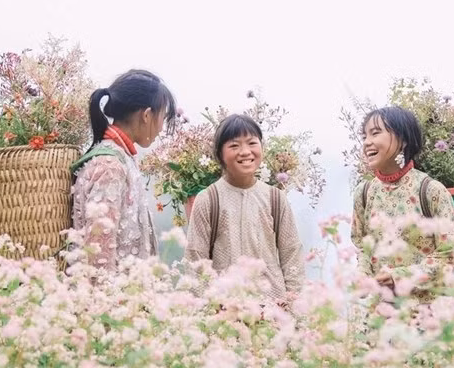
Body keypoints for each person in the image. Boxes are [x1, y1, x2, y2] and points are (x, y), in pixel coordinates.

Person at [185, 114, 304, 305]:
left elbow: (292, 254)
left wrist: (291, 303)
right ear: (219, 154)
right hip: (224, 314)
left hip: (272, 310)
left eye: (252, 143)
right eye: (234, 146)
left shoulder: (275, 198)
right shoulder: (208, 199)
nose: (245, 152)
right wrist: (207, 311)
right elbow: (195, 259)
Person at [350, 106, 454, 302]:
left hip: (427, 315)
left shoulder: (430, 191)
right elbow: (363, 247)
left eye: (375, 133)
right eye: (364, 136)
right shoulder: (364, 193)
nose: (367, 142)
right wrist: (362, 276)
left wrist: (399, 276)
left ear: (403, 140)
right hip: (381, 313)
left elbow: (452, 254)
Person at [71, 69, 176, 270]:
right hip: (110, 298)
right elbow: (98, 253)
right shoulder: (110, 167)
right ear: (147, 115)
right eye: (162, 116)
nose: (162, 128)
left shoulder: (120, 158)